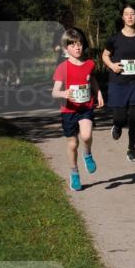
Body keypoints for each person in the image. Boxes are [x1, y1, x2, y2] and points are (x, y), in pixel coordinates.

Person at [51, 28, 104, 192]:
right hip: (69, 110)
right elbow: (54, 92)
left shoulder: (89, 64)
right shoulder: (62, 68)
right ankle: (74, 173)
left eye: (79, 44)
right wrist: (63, 93)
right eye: (73, 45)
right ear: (66, 49)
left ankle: (87, 153)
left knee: (87, 135)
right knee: (73, 144)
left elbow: (92, 79)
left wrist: (99, 93)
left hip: (85, 107)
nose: (77, 48)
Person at [102, 4, 135, 162]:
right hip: (118, 83)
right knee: (120, 117)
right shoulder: (115, 38)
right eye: (127, 14)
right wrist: (112, 65)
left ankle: (132, 149)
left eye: (133, 14)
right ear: (122, 17)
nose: (130, 16)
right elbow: (105, 55)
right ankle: (117, 126)